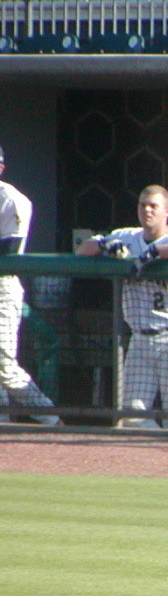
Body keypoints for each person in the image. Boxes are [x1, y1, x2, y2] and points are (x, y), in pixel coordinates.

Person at [76, 184, 168, 429]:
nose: (147, 210)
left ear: (166, 211)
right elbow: (82, 249)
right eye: (142, 205)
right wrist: (105, 246)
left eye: (153, 206)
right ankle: (155, 462)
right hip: (141, 338)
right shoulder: (126, 236)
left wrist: (158, 251)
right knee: (132, 416)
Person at [0, 144, 60, 424]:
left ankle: (50, 418)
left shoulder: (13, 200)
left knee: (4, 366)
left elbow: (8, 252)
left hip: (3, 289)